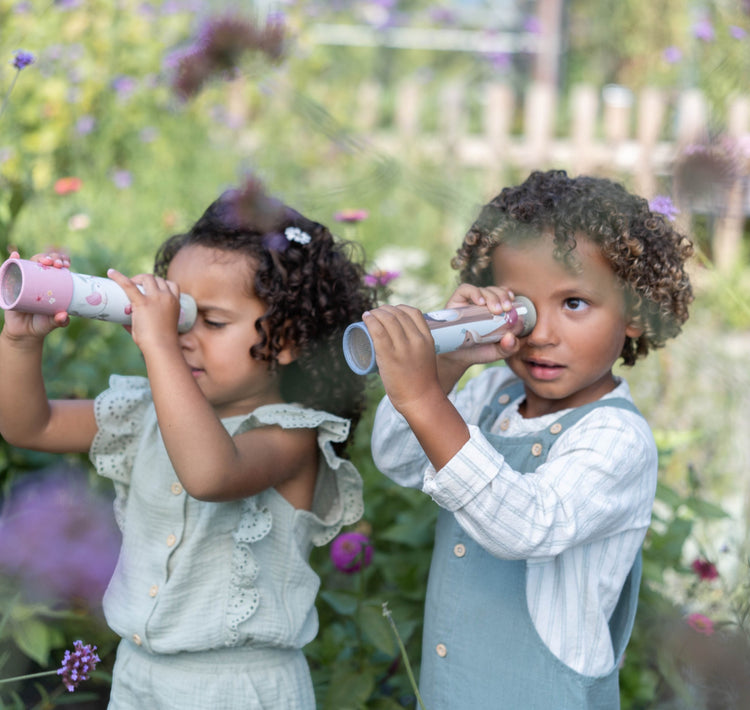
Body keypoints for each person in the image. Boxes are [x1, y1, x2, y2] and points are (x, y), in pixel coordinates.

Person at [0, 182, 377, 709]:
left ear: (288, 338)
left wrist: (157, 344)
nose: (182, 335)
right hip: (137, 679)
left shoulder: (291, 436)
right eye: (178, 317)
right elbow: (28, 427)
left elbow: (210, 476)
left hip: (237, 689)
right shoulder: (143, 416)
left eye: (213, 322)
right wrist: (21, 340)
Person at [364, 169, 693, 709]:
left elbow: (527, 527)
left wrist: (425, 399)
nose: (541, 333)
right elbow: (398, 458)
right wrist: (444, 364)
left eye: (575, 304)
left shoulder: (617, 438)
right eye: (522, 304)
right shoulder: (493, 391)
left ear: (635, 312)